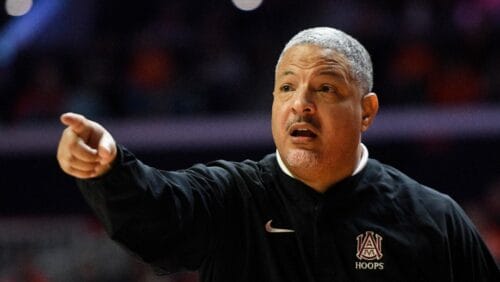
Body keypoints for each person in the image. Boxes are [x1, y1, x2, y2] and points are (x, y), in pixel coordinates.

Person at [57, 27, 500, 281]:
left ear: (366, 111)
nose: (300, 104)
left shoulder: (433, 219)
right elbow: (159, 208)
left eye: (325, 88)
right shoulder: (231, 195)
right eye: (287, 87)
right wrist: (110, 169)